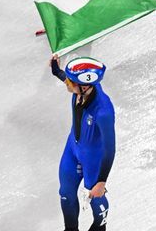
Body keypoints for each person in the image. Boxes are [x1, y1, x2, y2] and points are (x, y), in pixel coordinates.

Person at [50, 55, 116, 231]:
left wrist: (101, 182)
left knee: (95, 196)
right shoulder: (81, 88)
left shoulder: (103, 111)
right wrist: (56, 70)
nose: (68, 84)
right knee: (65, 193)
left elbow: (110, 149)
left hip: (92, 158)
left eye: (72, 82)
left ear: (85, 85)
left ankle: (99, 228)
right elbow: (67, 79)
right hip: (73, 148)